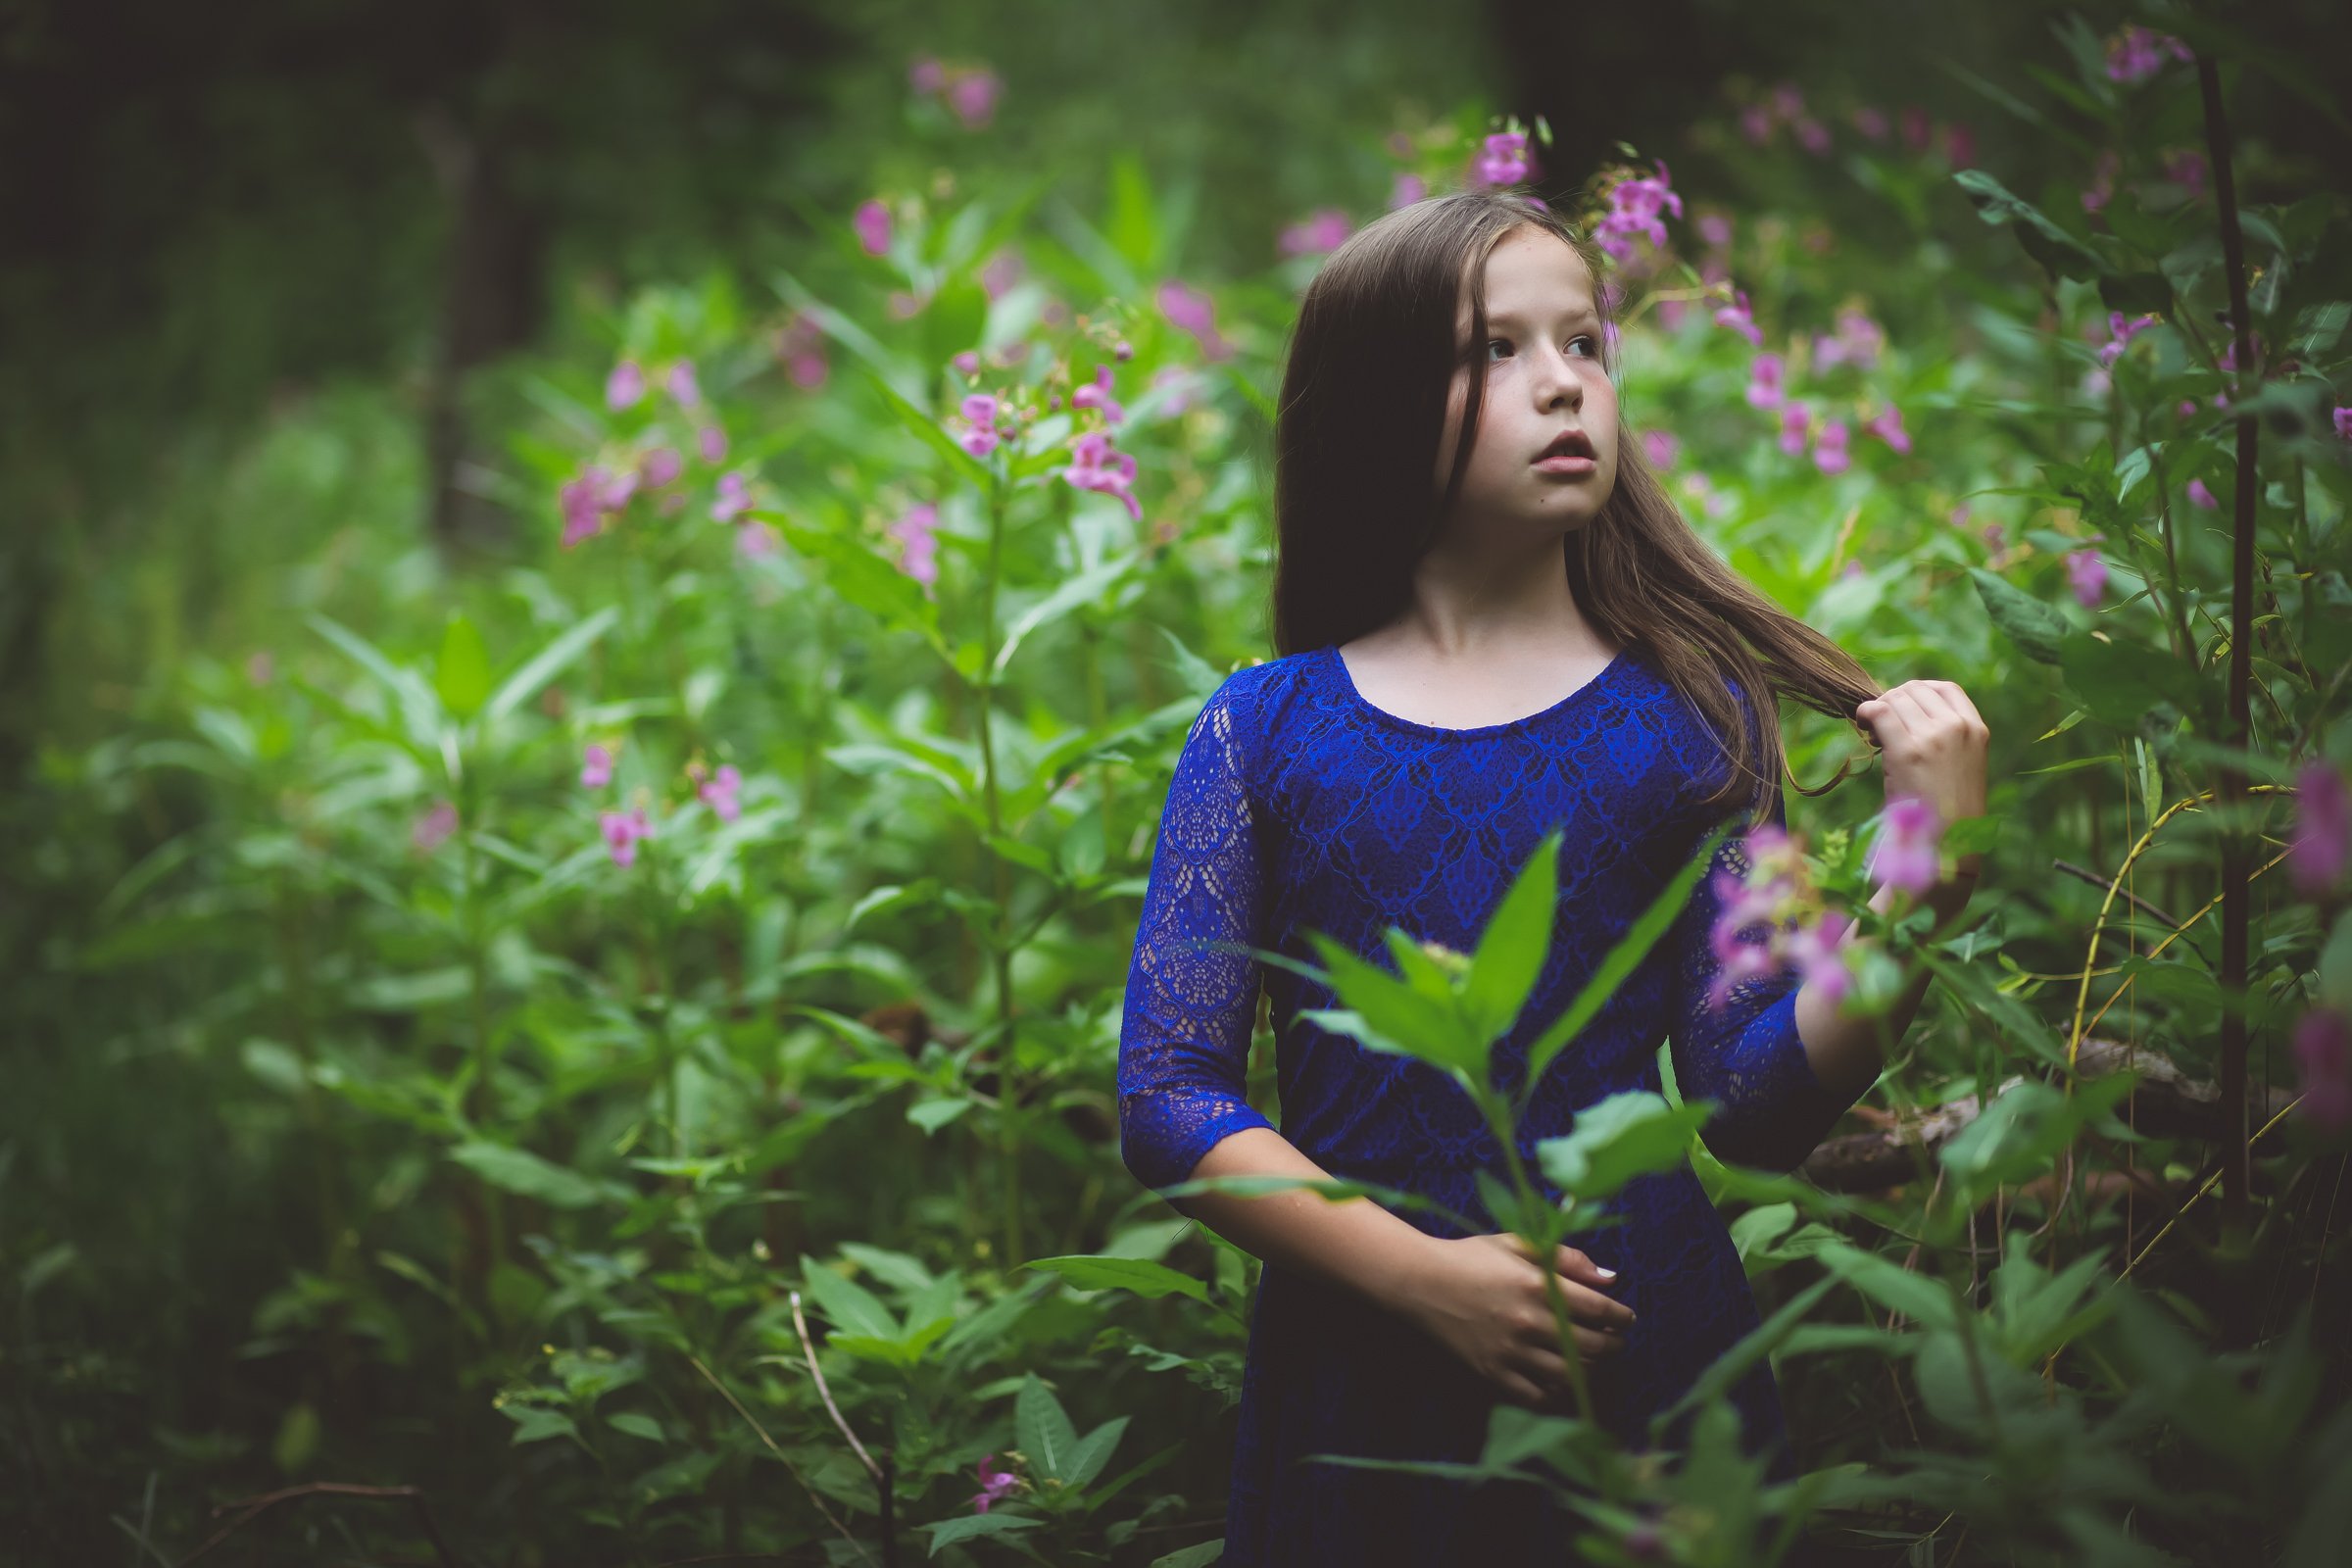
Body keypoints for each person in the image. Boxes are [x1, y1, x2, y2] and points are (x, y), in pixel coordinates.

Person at [1114, 188, 1989, 1564]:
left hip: (1642, 1357)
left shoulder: (1689, 719)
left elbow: (1747, 1098)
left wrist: (1914, 891)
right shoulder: (1263, 726)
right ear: (1376, 403)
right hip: (1366, 1373)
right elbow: (1168, 1098)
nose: (1564, 385)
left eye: (1585, 344)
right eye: (1493, 352)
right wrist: (1423, 1279)